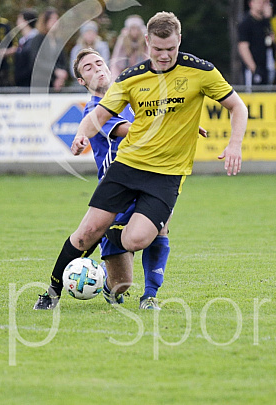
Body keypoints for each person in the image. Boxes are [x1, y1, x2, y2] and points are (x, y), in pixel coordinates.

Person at [36, 12, 247, 307]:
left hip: (166, 175)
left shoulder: (199, 71)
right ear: (147, 42)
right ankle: (52, 291)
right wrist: (81, 134)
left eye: (170, 49)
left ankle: (149, 295)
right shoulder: (129, 81)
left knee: (143, 237)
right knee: (88, 237)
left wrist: (230, 142)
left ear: (180, 41)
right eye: (158, 49)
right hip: (126, 170)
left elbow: (236, 106)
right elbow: (104, 119)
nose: (164, 56)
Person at [34, 48, 183, 311]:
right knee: (116, 278)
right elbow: (129, 131)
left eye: (99, 62)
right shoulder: (95, 109)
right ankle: (53, 290)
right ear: (82, 81)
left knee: (160, 225)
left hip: (154, 179)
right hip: (118, 190)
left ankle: (150, 296)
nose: (97, 68)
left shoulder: (138, 97)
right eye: (88, 68)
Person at [238, 0, 274, 86]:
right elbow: (243, 47)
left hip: (266, 66)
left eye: (264, 2)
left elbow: (272, 41)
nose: (262, 5)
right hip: (253, 68)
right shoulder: (246, 23)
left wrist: (268, 20)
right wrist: (254, 68)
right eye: (259, 2)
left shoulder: (265, 22)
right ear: (251, 3)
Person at [29, 7, 69, 91]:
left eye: (56, 19)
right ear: (45, 21)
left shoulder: (58, 40)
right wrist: (55, 71)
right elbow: (36, 61)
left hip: (57, 83)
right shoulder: (38, 39)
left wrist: (61, 76)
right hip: (41, 82)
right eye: (52, 19)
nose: (55, 22)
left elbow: (63, 60)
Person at [13, 9, 39, 88]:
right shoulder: (23, 40)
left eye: (19, 19)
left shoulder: (36, 39)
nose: (17, 22)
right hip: (22, 82)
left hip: (31, 82)